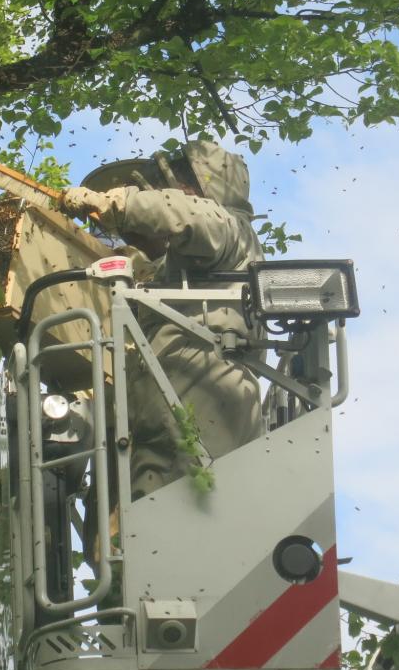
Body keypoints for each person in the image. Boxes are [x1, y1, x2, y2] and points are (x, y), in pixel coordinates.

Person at [60, 141, 266, 499]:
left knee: (191, 514)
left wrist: (117, 203)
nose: (172, 190)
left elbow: (194, 216)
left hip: (202, 402)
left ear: (208, 185)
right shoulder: (192, 266)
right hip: (163, 414)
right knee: (146, 520)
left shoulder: (231, 228)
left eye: (182, 180)